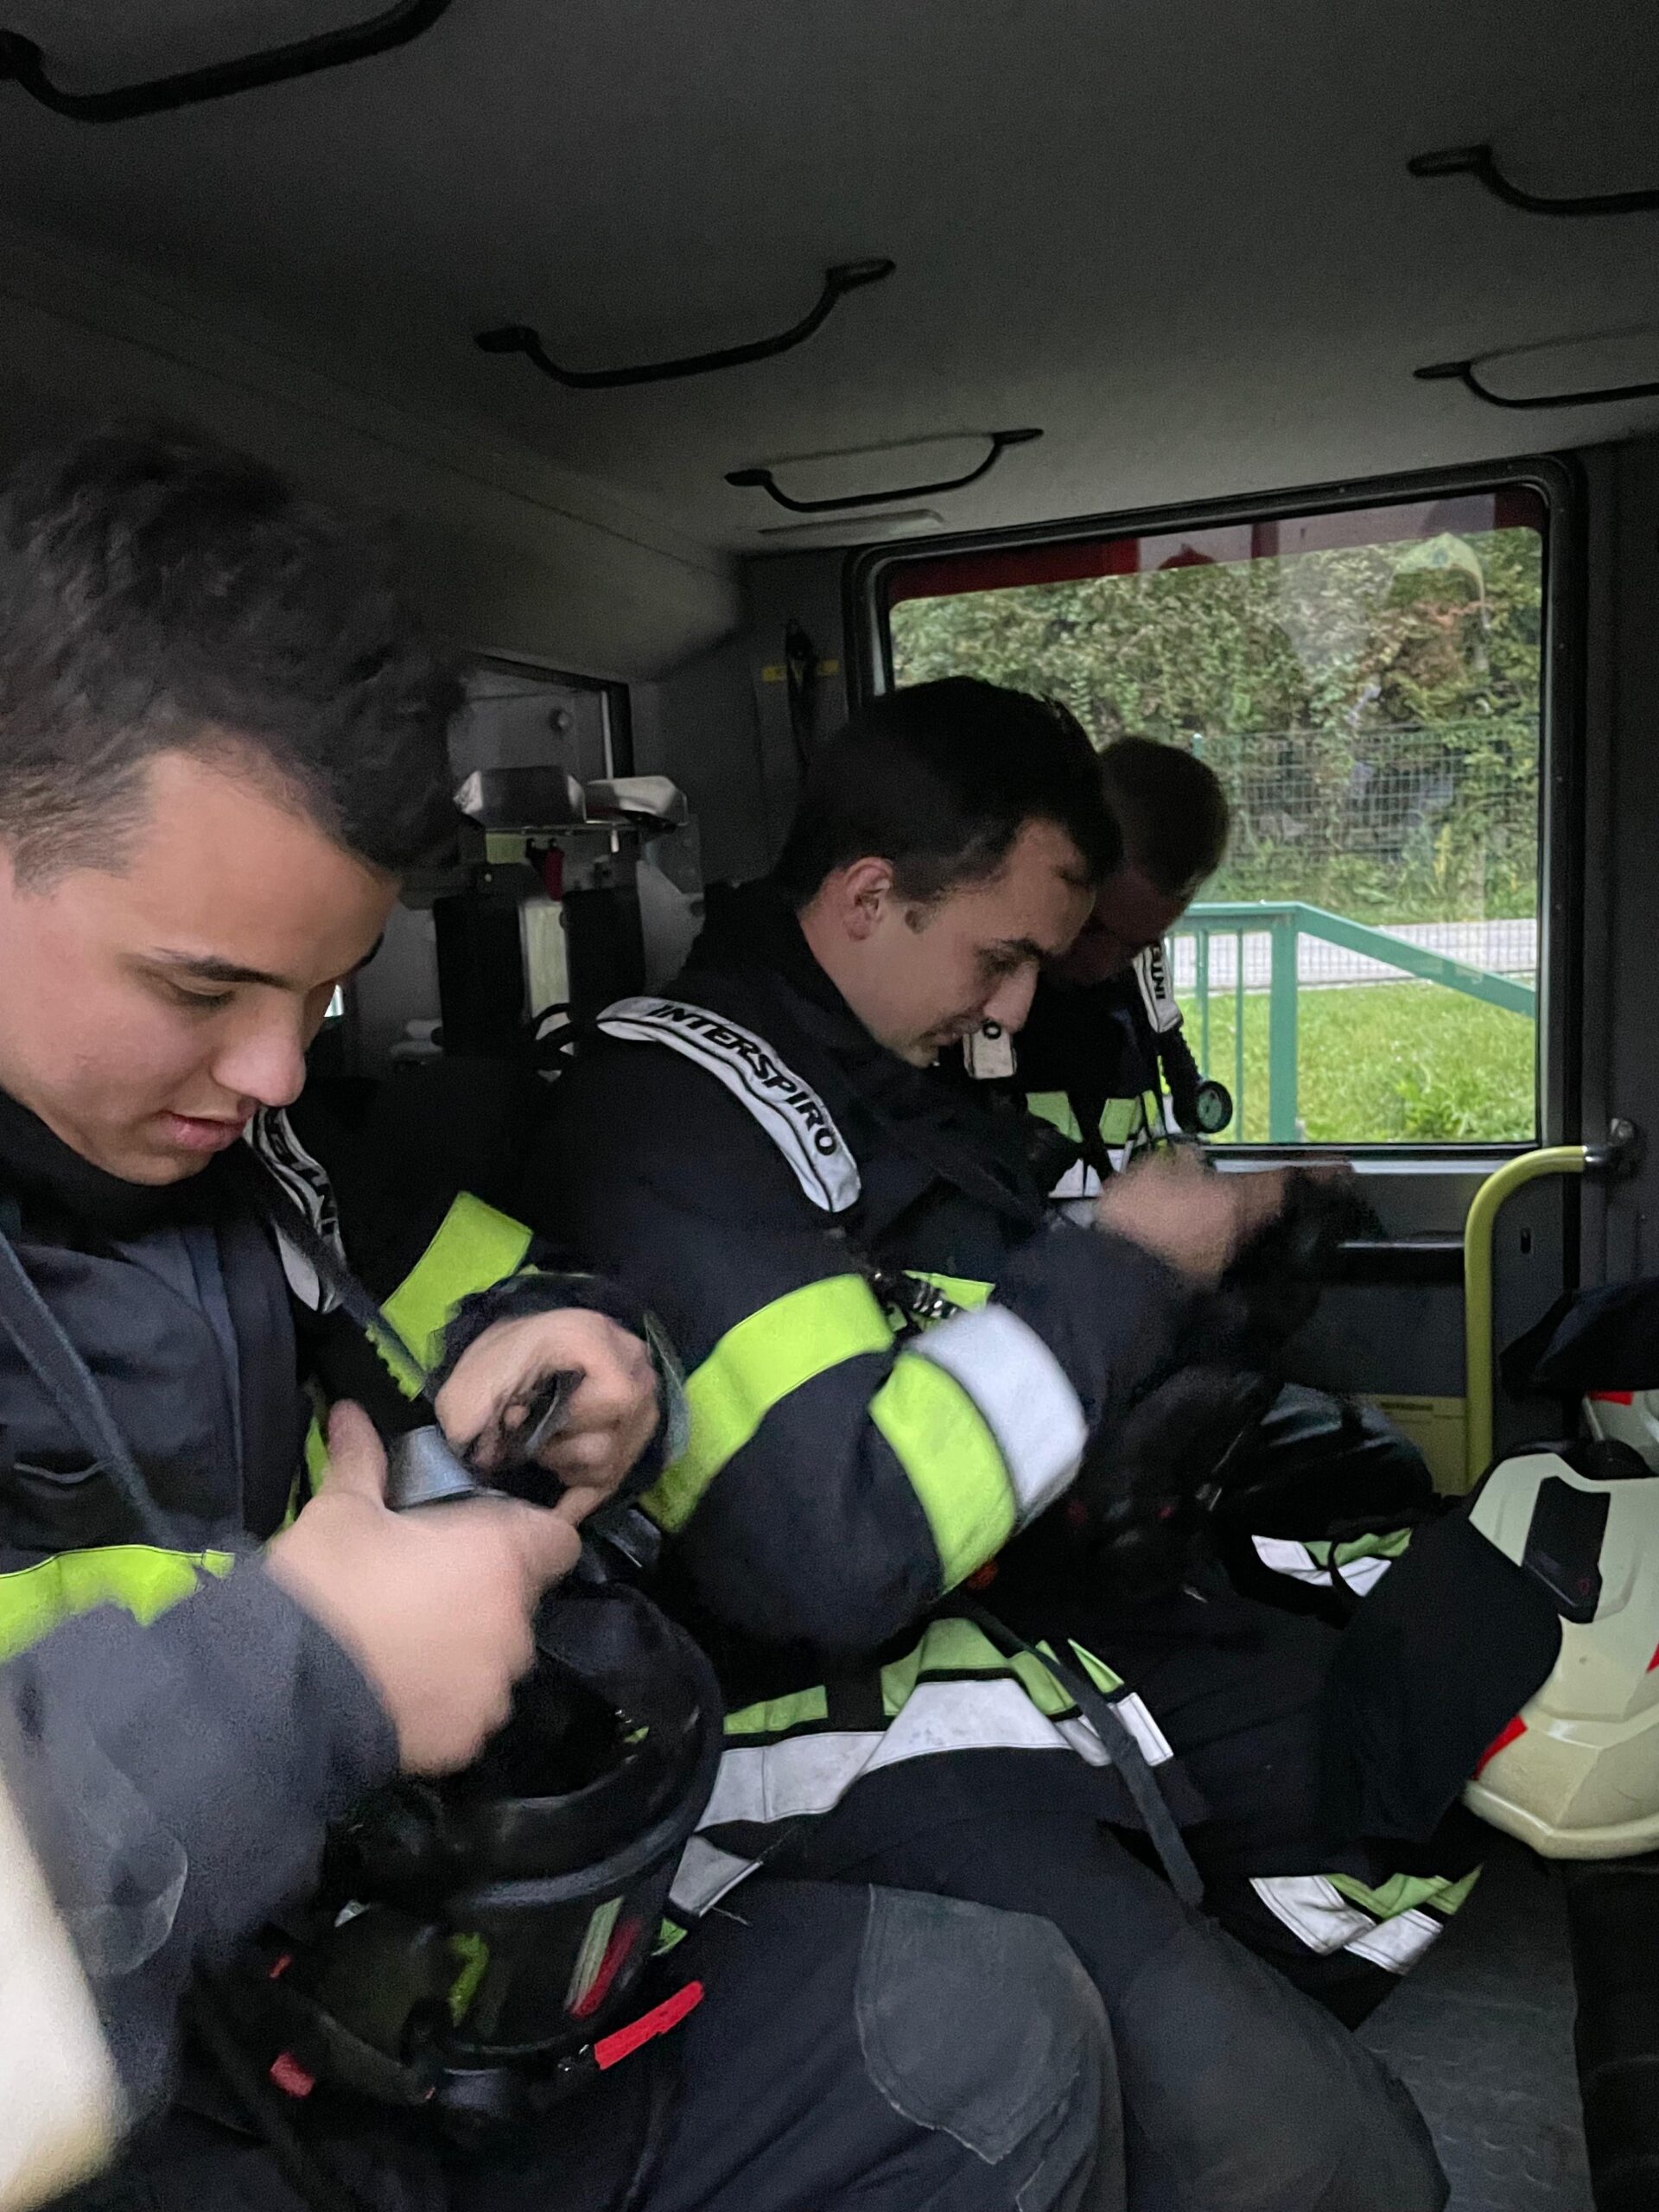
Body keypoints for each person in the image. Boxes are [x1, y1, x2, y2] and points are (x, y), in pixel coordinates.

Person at [0, 430, 1115, 2212]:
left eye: (323, 992)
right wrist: (305, 1681)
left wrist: (581, 1346)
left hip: (378, 2014)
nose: (277, 1068)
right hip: (147, 2125)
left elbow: (466, 1288)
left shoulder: (239, 1145)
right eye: (203, 986)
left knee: (985, 2029)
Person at [534, 677, 1495, 2210]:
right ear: (870, 897)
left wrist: (1225, 1257)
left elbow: (996, 1274)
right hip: (762, 1730)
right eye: (1003, 959)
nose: (1018, 1013)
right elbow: (830, 1549)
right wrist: (1120, 1268)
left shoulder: (883, 1083)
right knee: (1322, 2155)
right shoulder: (678, 1118)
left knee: (1412, 1733)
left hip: (983, 1641)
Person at [1002, 735, 1442, 1588]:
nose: (1106, 962)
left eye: (1141, 943)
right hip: (1056, 1366)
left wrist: (1263, 1208)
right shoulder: (977, 1018)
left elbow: (1142, 1165)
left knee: (1385, 1473)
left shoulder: (1128, 993)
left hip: (1146, 1345)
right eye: (1097, 929)